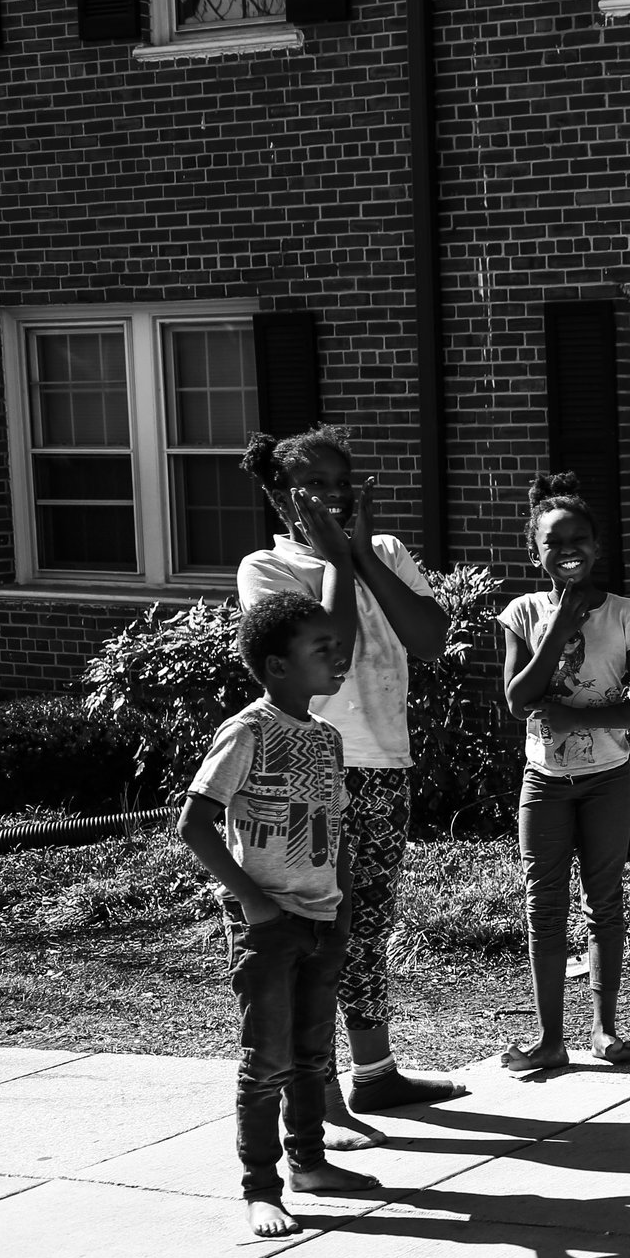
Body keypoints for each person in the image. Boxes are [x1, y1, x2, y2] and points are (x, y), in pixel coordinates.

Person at [237, 426, 463, 1141]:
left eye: (345, 479)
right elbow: (332, 648)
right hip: (308, 774)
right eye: (317, 484)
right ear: (279, 495)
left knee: (367, 925)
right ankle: (317, 1090)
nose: (337, 494)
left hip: (381, 764)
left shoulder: (385, 552)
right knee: (317, 929)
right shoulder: (268, 571)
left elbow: (429, 638)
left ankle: (376, 1073)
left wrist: (362, 553)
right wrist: (337, 559)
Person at [177, 594, 379, 1237]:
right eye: (321, 648)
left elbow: (338, 832)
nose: (337, 655)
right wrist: (256, 903)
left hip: (322, 919)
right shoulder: (248, 732)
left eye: (336, 645)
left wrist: (342, 908)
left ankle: (310, 1165)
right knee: (267, 1060)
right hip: (266, 927)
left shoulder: (325, 739)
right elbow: (196, 824)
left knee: (313, 1053)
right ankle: (261, 1188)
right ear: (276, 666)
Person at [497, 473, 630, 1070]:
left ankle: (603, 1028)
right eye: (554, 540)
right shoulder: (522, 613)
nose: (569, 549)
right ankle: (549, 1039)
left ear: (597, 547)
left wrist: (576, 719)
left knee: (604, 901)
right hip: (542, 784)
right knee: (544, 906)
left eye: (580, 539)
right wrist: (560, 630)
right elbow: (517, 699)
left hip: (607, 778)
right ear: (534, 550)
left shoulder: (625, 616)